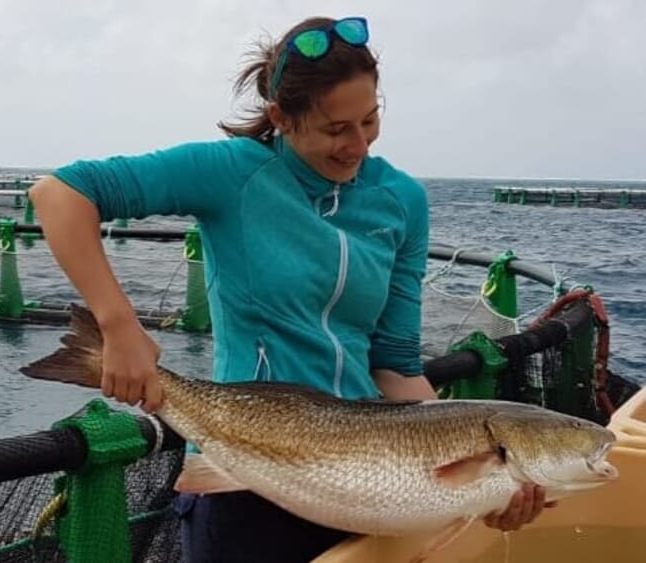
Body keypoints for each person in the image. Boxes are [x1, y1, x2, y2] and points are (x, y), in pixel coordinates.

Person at [30, 15, 551, 563]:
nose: (357, 145)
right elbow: (61, 193)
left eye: (370, 121)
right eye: (335, 129)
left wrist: (486, 484)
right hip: (245, 476)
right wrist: (118, 325)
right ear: (281, 117)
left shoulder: (401, 201)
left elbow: (395, 364)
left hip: (371, 484)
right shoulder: (233, 173)